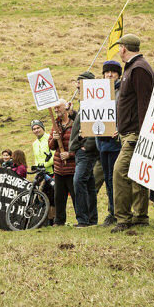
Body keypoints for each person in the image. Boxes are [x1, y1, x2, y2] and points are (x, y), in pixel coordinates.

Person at [110, 34, 154, 233]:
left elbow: (144, 103)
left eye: (119, 47)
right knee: (137, 176)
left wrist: (144, 133)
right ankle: (140, 216)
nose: (119, 50)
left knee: (120, 173)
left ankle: (123, 219)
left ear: (124, 48)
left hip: (136, 134)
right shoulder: (134, 68)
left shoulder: (138, 69)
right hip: (130, 132)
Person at [70, 71, 100, 228]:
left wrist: (87, 145)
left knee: (79, 181)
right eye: (76, 81)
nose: (77, 85)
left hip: (86, 151)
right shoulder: (84, 102)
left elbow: (97, 123)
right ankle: (91, 219)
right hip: (81, 150)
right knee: (88, 184)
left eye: (80, 82)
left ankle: (83, 220)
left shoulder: (93, 102)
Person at [98, 60, 123, 226]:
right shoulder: (98, 92)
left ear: (118, 74)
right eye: (107, 72)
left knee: (117, 179)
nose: (109, 75)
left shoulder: (122, 91)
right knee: (107, 179)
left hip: (116, 142)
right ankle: (111, 212)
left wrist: (120, 128)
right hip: (102, 142)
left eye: (113, 72)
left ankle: (119, 213)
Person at [48, 99, 76, 227]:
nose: (56, 110)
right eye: (54, 108)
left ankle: (81, 219)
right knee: (59, 197)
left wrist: (70, 154)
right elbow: (51, 146)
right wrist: (54, 139)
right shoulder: (55, 124)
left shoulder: (75, 123)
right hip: (59, 168)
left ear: (66, 107)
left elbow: (82, 145)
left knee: (76, 196)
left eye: (58, 107)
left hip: (72, 168)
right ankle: (59, 221)